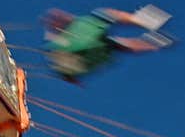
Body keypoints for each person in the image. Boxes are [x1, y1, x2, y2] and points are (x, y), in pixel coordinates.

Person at [43, 5, 173, 83]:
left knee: (116, 43)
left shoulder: (65, 39)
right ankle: (146, 30)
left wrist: (71, 78)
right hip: (81, 50)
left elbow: (65, 72)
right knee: (112, 34)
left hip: (82, 52)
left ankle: (150, 36)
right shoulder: (67, 37)